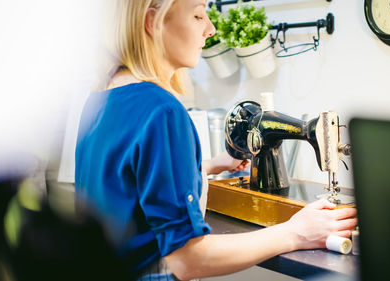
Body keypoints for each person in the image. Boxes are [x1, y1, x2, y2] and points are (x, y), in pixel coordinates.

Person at [74, 0, 358, 280]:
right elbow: (188, 259)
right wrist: (296, 232)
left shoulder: (101, 97)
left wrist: (208, 166)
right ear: (153, 23)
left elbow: (129, 188)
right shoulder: (161, 111)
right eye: (198, 16)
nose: (210, 29)